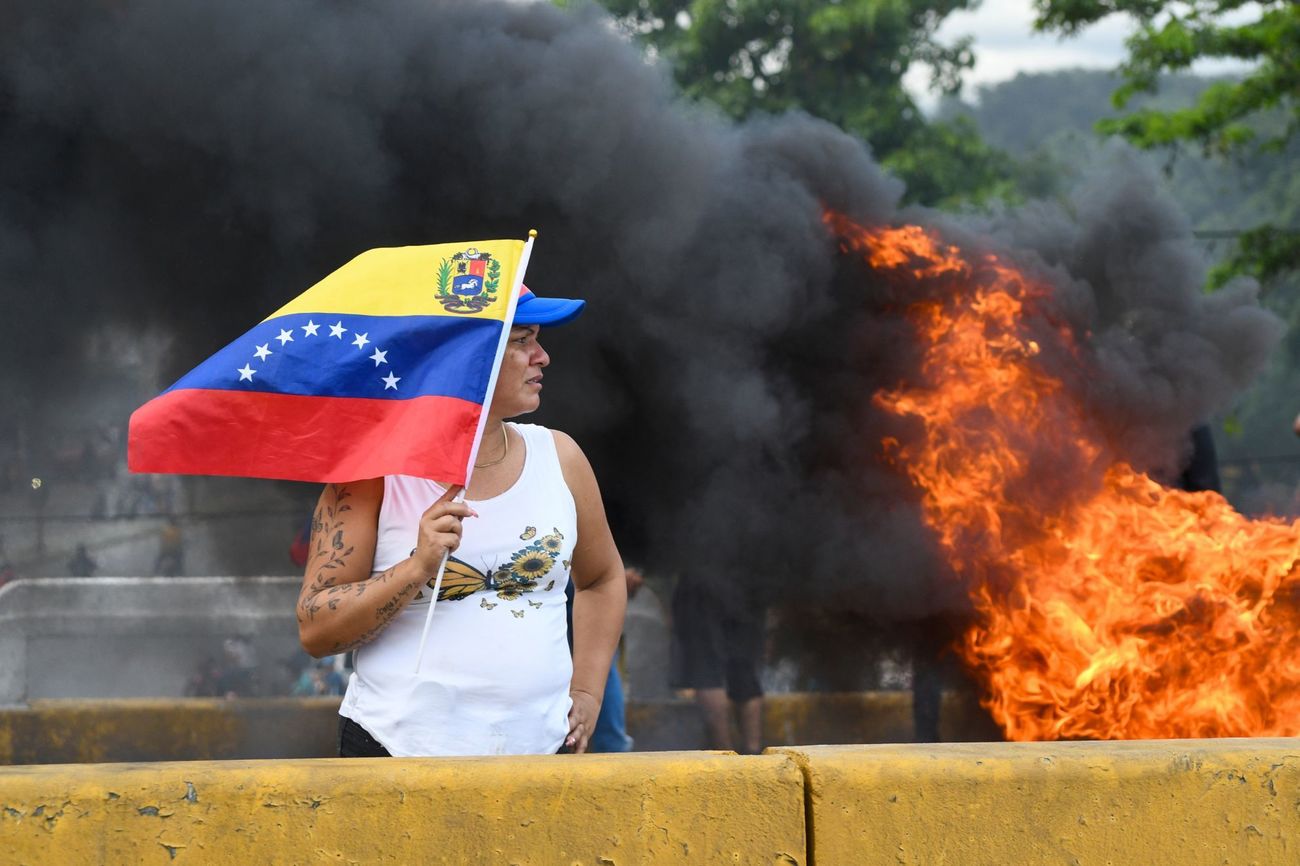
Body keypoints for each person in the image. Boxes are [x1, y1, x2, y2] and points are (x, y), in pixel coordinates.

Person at [296, 285, 626, 757]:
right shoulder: (370, 476)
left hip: (542, 760)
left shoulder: (560, 457)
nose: (543, 357)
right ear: (467, 357)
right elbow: (315, 630)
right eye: (522, 340)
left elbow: (602, 578)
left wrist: (589, 693)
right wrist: (416, 566)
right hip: (396, 759)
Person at [669, 574, 765, 754]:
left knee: (706, 670)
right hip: (745, 580)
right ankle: (754, 752)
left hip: (702, 581)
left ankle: (725, 754)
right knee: (744, 668)